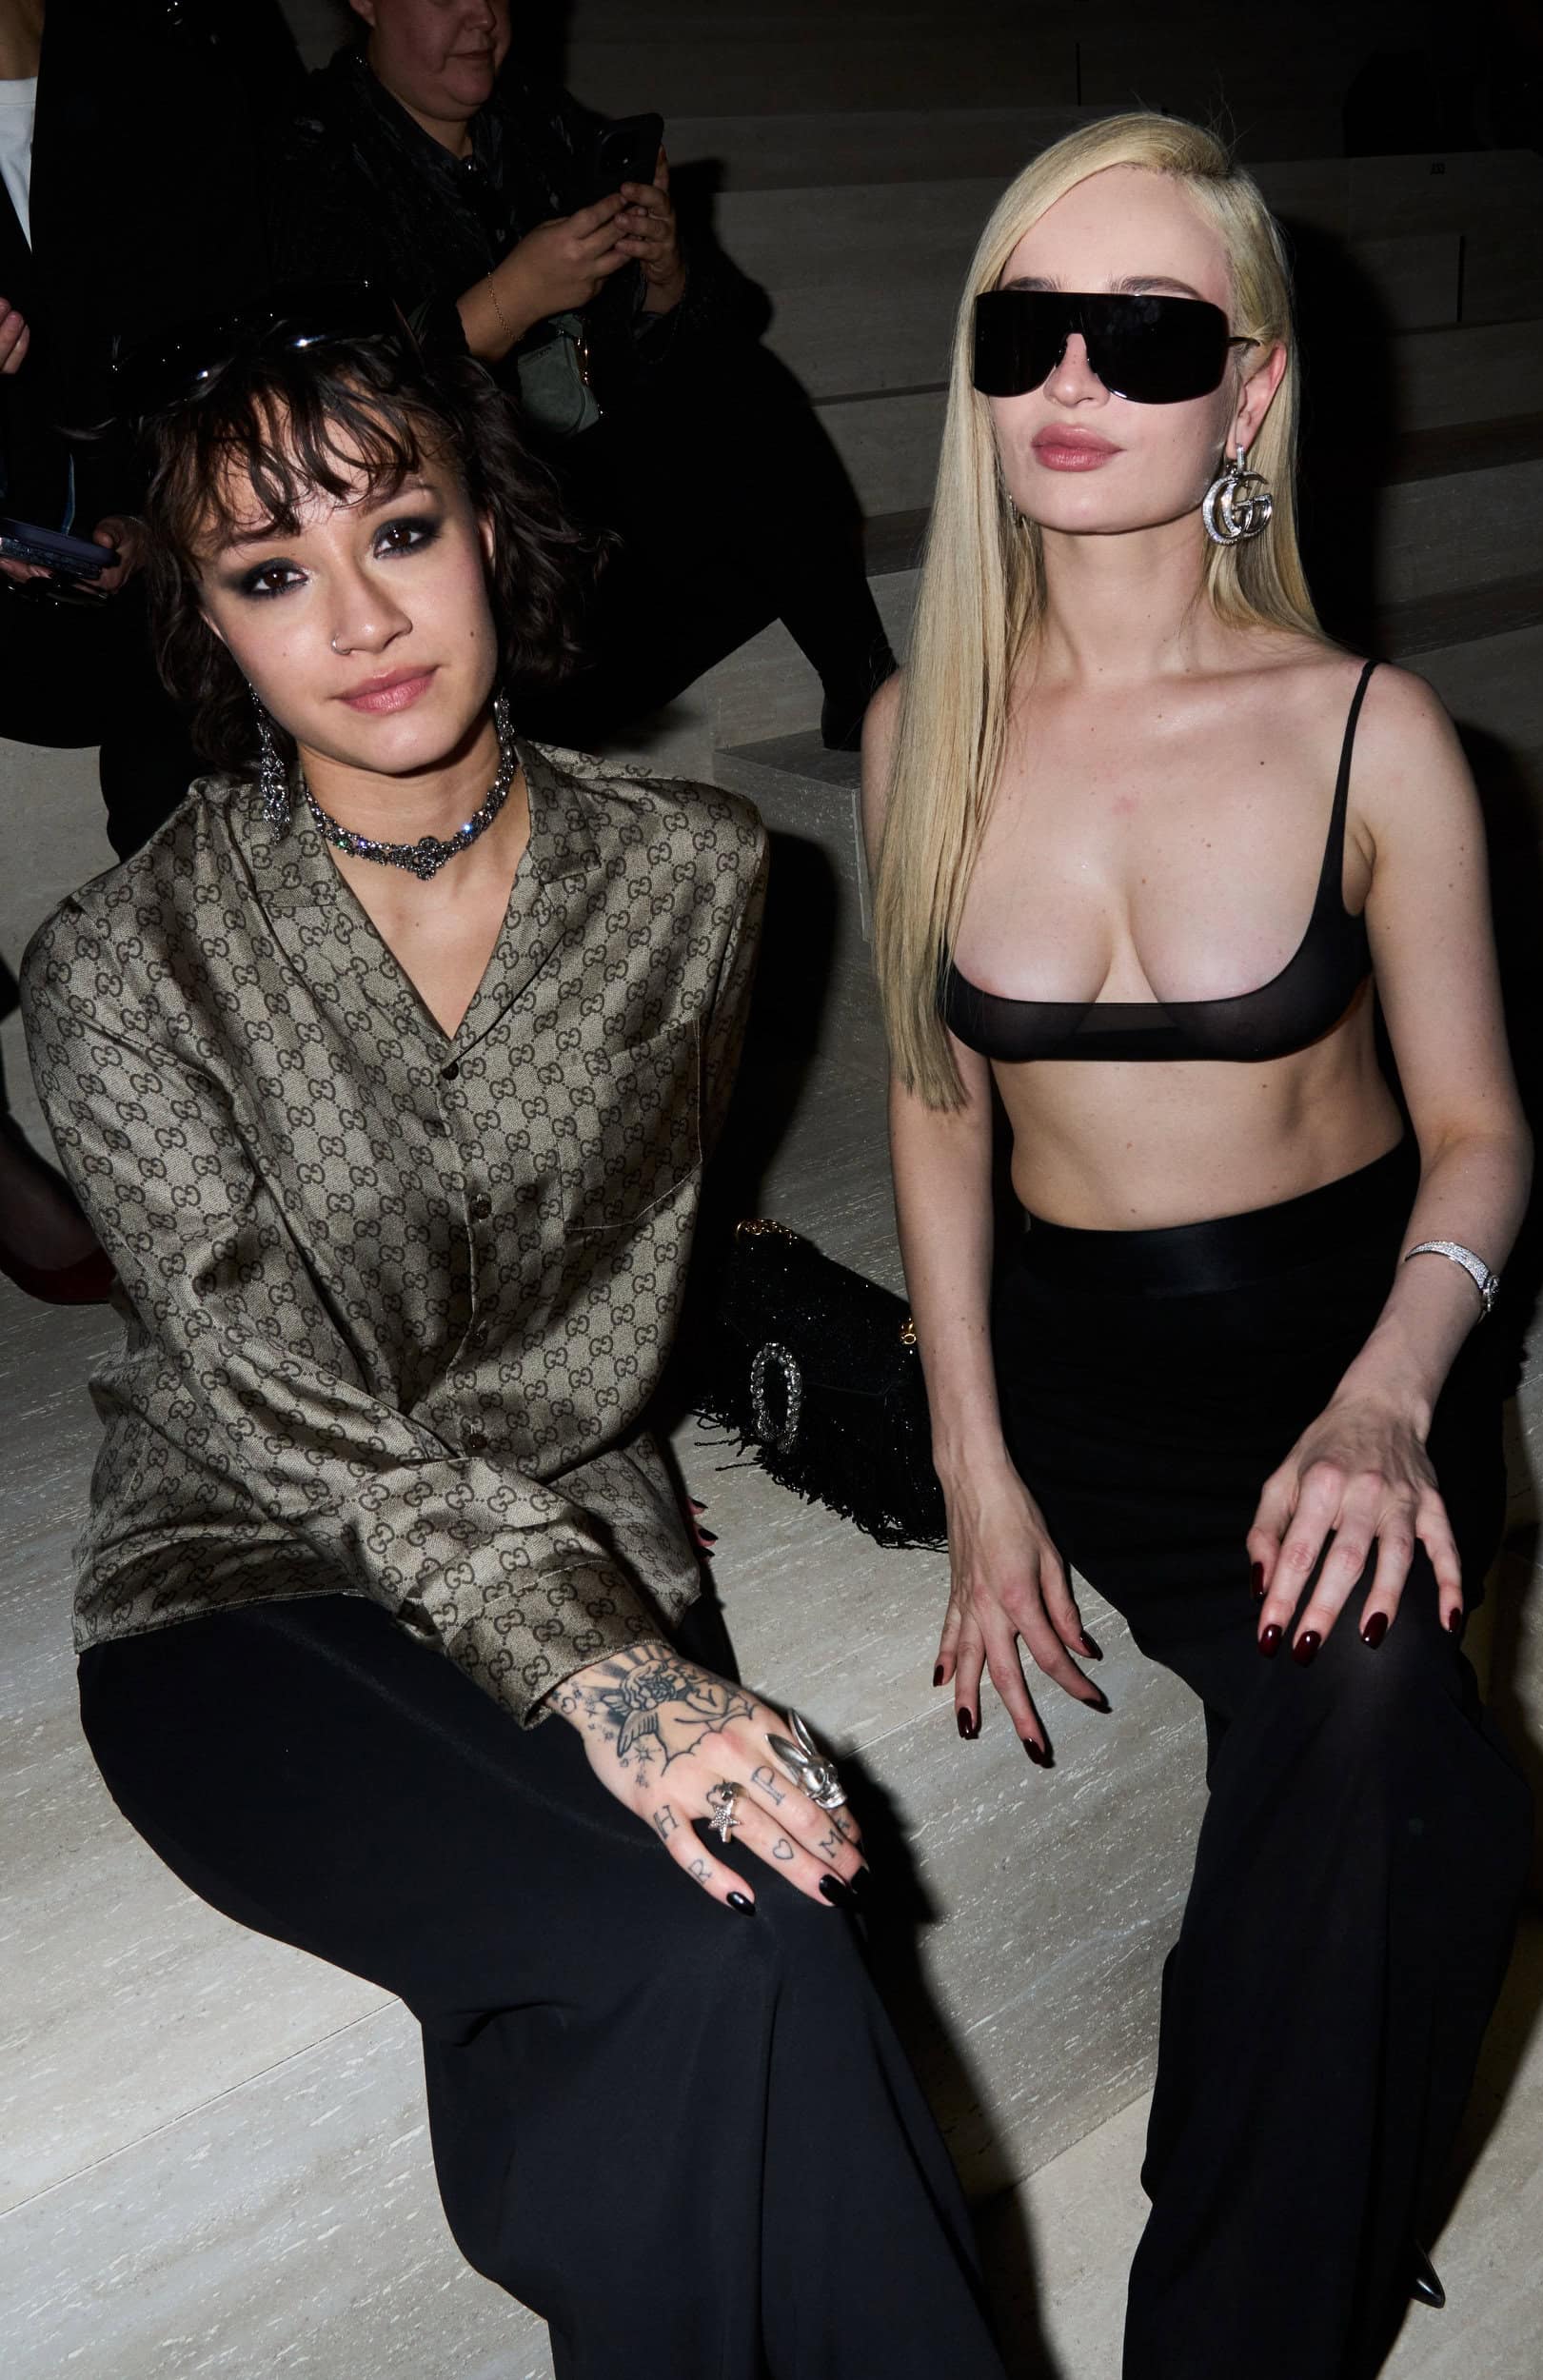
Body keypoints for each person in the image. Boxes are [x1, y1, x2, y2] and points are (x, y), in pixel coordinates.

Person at [19, 292, 1008, 2380]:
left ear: (490, 526)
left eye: (400, 530)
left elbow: (635, 1247)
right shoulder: (121, 964)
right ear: (208, 624)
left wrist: (615, 1481)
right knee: (713, 1948)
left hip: (572, 1532)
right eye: (270, 573)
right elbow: (256, 1384)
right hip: (248, 1574)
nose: (360, 617)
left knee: (746, 1943)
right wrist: (595, 1658)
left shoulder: (702, 874)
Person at [862, 114, 1534, 2380]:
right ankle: (1319, 2178)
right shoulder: (920, 730)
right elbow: (936, 1105)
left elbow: (1480, 1136)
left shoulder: (1372, 732)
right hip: (1085, 1371)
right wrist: (973, 1465)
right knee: (1395, 1777)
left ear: (1248, 390)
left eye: (1146, 337)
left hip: (1355, 1347)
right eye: (1026, 327)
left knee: (1376, 1715)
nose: (1072, 377)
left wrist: (1391, 1394)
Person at [264, 0, 895, 749]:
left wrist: (663, 273)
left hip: (607, 531)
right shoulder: (308, 154)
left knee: (741, 387)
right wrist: (509, 301)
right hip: (479, 573)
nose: (481, 16)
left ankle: (869, 692)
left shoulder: (535, 118)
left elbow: (716, 325)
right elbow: (333, 412)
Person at [0, 0, 304, 1299]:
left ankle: (249, 1103)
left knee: (205, 674)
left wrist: (148, 517)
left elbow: (217, 346)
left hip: (125, 538)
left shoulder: (161, 65)